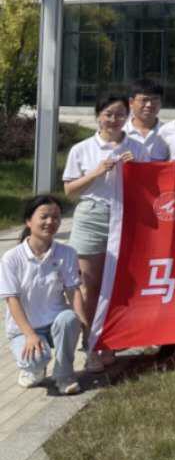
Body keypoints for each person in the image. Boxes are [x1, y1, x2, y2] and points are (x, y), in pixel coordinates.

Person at [62, 92, 139, 371]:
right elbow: (69, 191)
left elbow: (152, 189)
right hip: (91, 215)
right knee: (88, 285)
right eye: (108, 114)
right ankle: (91, 344)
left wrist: (137, 170)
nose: (114, 119)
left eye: (120, 114)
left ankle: (111, 341)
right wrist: (96, 172)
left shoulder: (136, 147)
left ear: (127, 117)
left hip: (126, 216)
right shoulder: (82, 149)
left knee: (120, 285)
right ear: (98, 116)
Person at [1, 195, 87, 395]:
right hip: (24, 329)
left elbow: (73, 291)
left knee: (70, 319)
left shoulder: (67, 253)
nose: (50, 222)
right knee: (37, 359)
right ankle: (33, 370)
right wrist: (30, 335)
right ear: (28, 221)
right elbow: (12, 300)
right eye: (44, 217)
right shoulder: (11, 258)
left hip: (55, 321)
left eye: (56, 217)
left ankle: (64, 375)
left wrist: (84, 324)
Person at [123, 79, 169, 160]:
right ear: (131, 102)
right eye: (144, 100)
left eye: (155, 99)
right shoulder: (121, 133)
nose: (149, 105)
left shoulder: (169, 132)